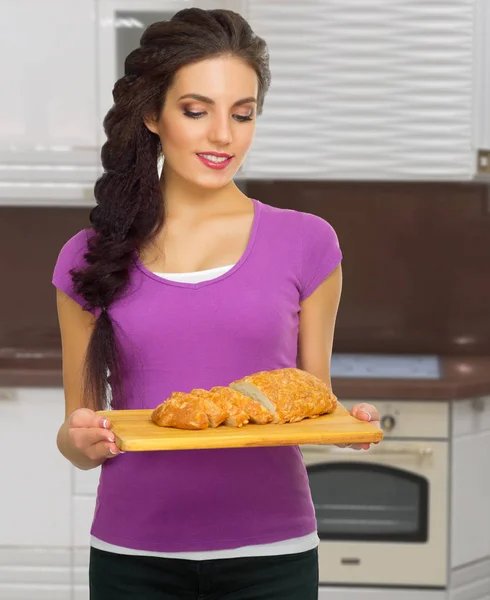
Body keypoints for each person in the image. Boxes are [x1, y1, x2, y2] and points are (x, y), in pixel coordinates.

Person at [52, 8, 380, 600]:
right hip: (135, 553)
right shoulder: (89, 256)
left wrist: (345, 428)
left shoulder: (308, 243)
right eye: (196, 111)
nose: (223, 136)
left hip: (271, 552)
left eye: (243, 113)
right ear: (153, 114)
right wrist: (81, 440)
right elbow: (77, 436)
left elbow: (309, 401)